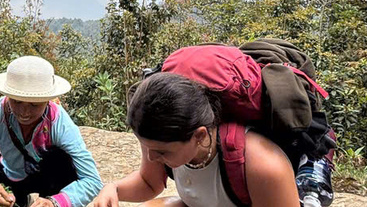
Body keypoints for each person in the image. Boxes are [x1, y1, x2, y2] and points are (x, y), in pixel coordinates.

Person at [94, 72, 299, 207]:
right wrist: (113, 189)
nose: (152, 157)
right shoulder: (160, 138)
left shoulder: (262, 166)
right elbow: (149, 182)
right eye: (147, 147)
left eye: (162, 152)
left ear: (199, 135)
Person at [0, 56, 103, 207]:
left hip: (51, 176)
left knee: (61, 161)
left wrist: (55, 203)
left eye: (34, 104)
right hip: (9, 173)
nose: (24, 112)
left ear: (47, 100)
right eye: (17, 101)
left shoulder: (59, 122)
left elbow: (92, 180)